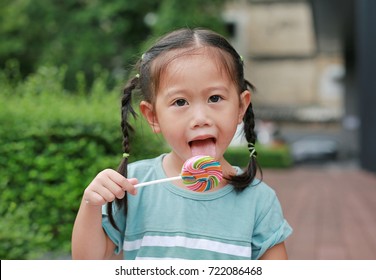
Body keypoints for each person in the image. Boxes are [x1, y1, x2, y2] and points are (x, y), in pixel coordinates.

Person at [71, 28, 292, 260]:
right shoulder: (133, 186)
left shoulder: (259, 201)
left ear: (240, 107)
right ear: (153, 116)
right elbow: (86, 263)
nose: (200, 118)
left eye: (215, 98)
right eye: (180, 102)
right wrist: (91, 204)